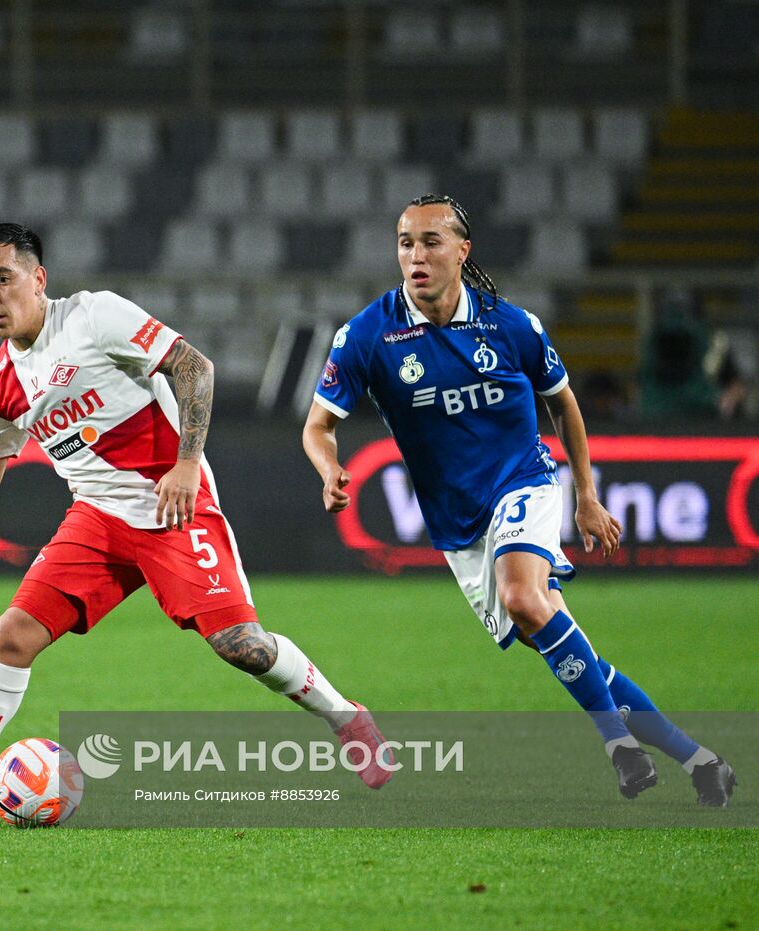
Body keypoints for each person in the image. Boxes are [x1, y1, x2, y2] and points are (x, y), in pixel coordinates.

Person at [0, 222, 393, 824]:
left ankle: (348, 720)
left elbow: (195, 368)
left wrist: (186, 464)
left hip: (173, 508)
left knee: (243, 648)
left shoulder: (93, 316)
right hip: (96, 521)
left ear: (38, 278)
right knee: (11, 636)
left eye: (4, 278)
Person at [303, 194, 735, 805]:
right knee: (553, 633)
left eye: (430, 241)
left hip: (523, 483)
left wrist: (585, 495)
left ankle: (619, 746)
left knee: (522, 595)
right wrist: (328, 468)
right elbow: (317, 424)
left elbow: (563, 403)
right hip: (457, 523)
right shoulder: (369, 335)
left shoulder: (511, 326)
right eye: (405, 242)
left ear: (462, 250)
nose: (416, 256)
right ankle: (699, 760)